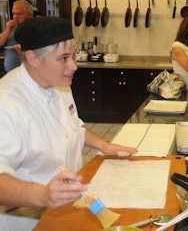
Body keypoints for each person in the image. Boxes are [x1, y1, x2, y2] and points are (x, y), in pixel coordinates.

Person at [0, 17, 138, 230]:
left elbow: (73, 126)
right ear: (33, 58)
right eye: (63, 58)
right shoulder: (6, 103)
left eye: (73, 55)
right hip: (29, 221)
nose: (73, 66)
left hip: (68, 210)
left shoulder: (59, 84)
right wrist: (43, 194)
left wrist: (104, 146)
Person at [0, 0, 33, 73]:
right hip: (10, 73)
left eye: (19, 14)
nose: (15, 17)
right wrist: (7, 32)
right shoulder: (11, 29)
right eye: (13, 14)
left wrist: (24, 51)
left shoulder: (36, 29)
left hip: (29, 73)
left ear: (29, 15)